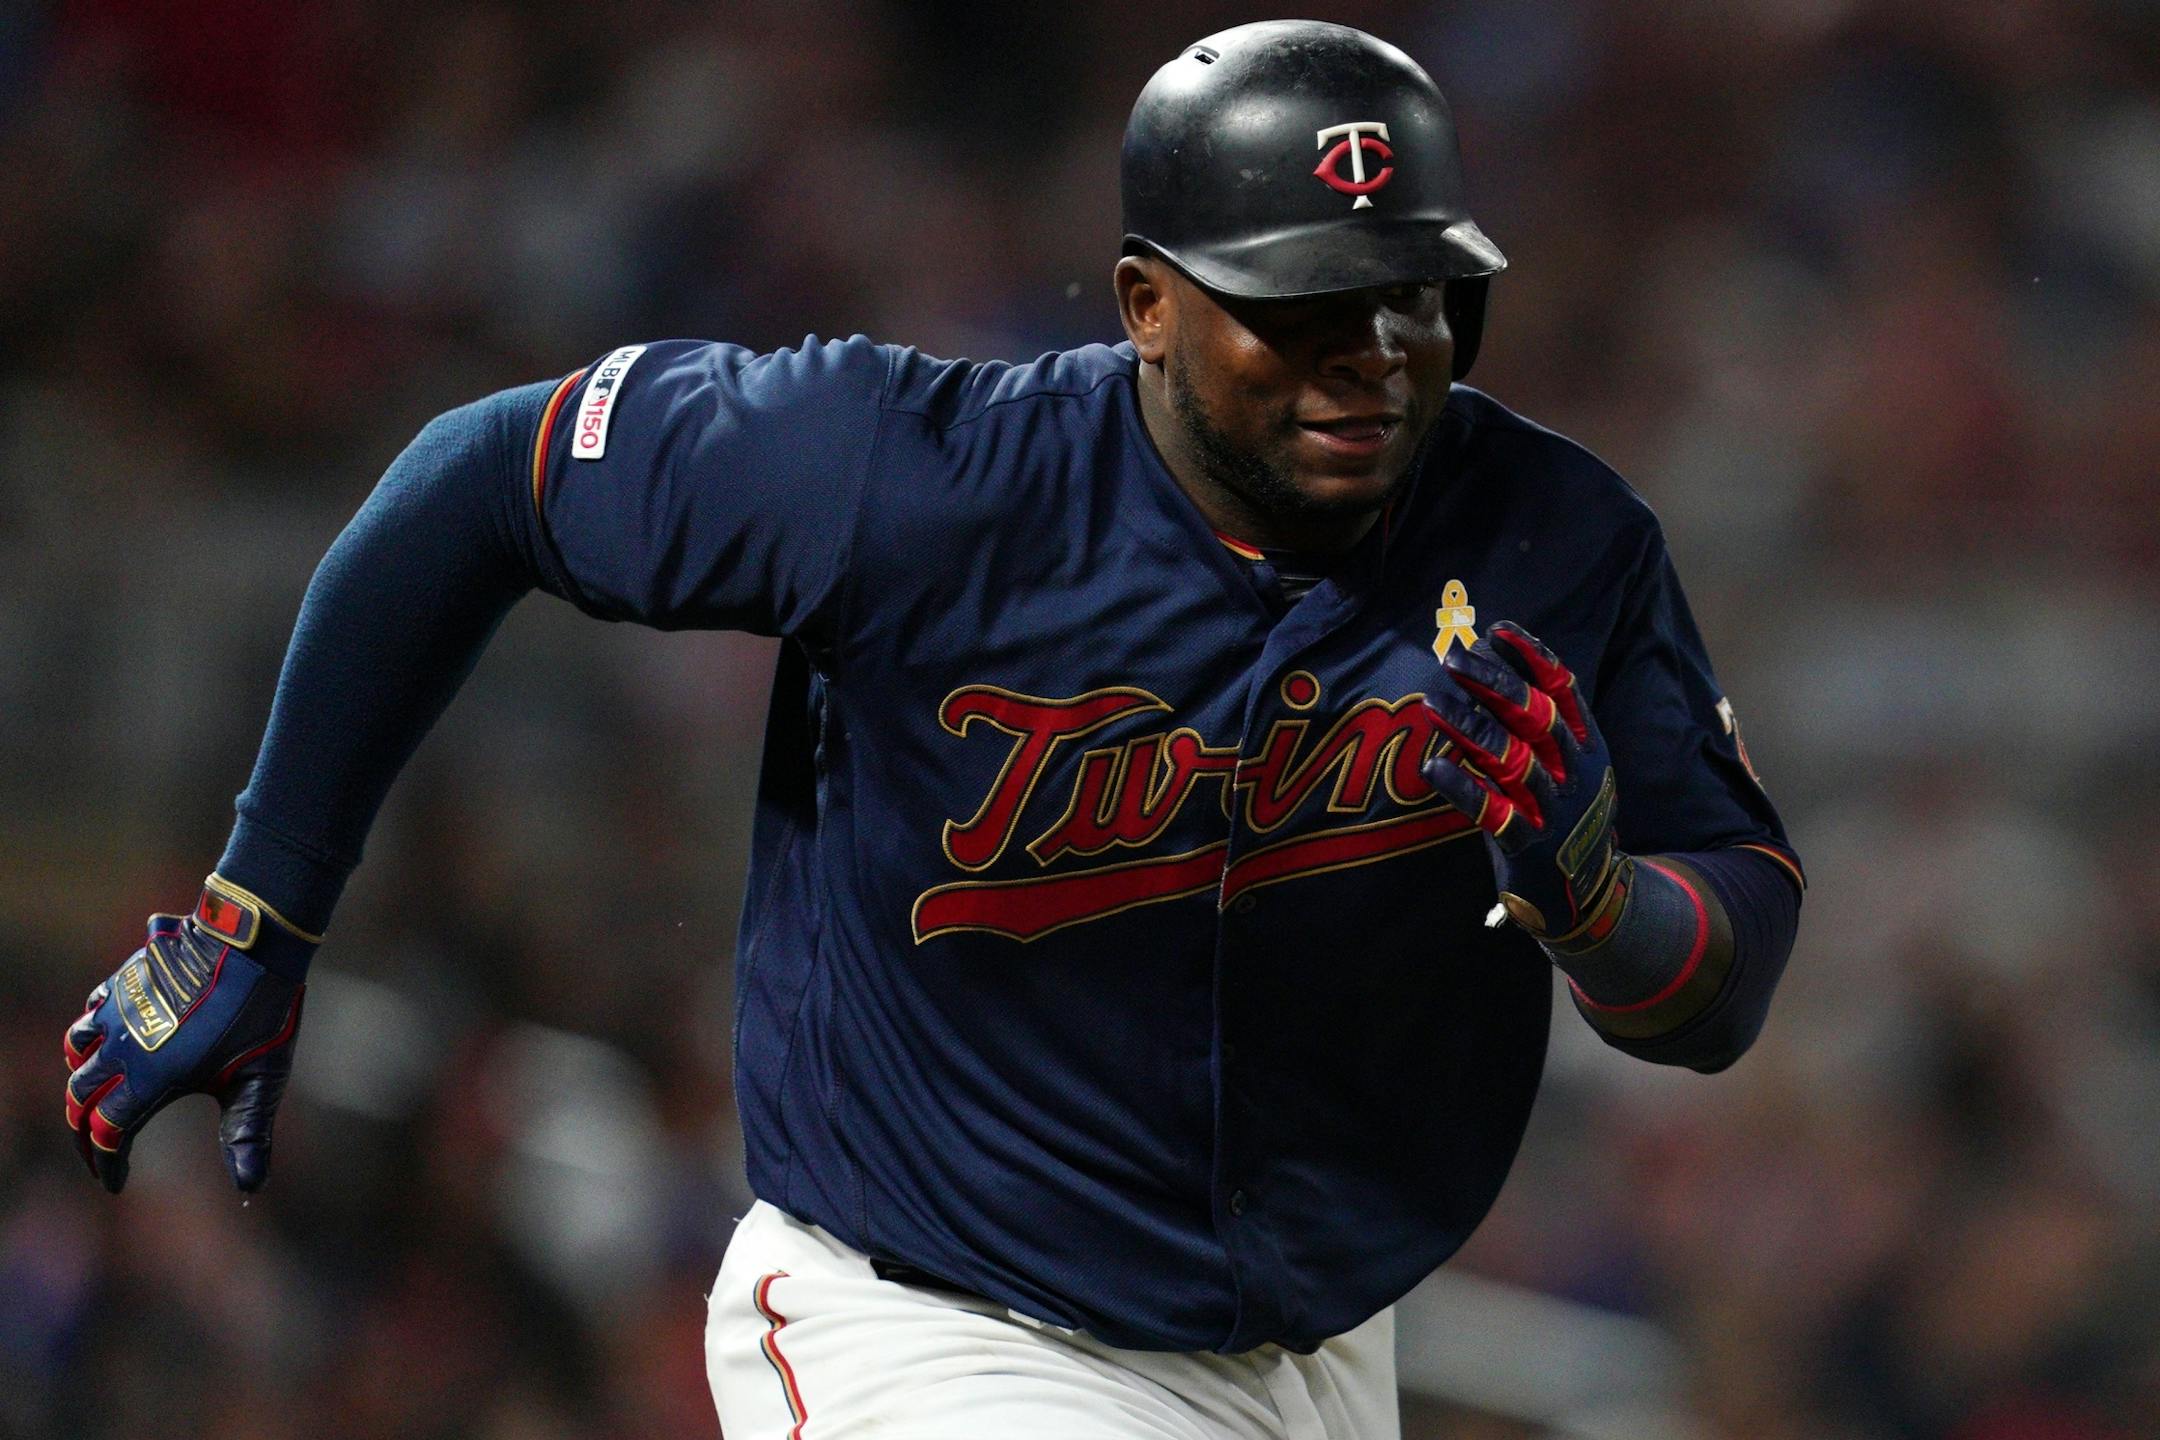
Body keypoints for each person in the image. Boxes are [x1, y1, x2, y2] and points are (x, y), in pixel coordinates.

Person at [62, 20, 1802, 1440]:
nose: (1373, 354)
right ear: (1146, 305)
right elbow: (480, 483)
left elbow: (1720, 980)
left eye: (1411, 297)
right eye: (1302, 306)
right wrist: (260, 908)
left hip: (1327, 1359)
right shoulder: (910, 474)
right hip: (938, 1335)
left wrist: (1597, 906)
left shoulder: (1552, 539)